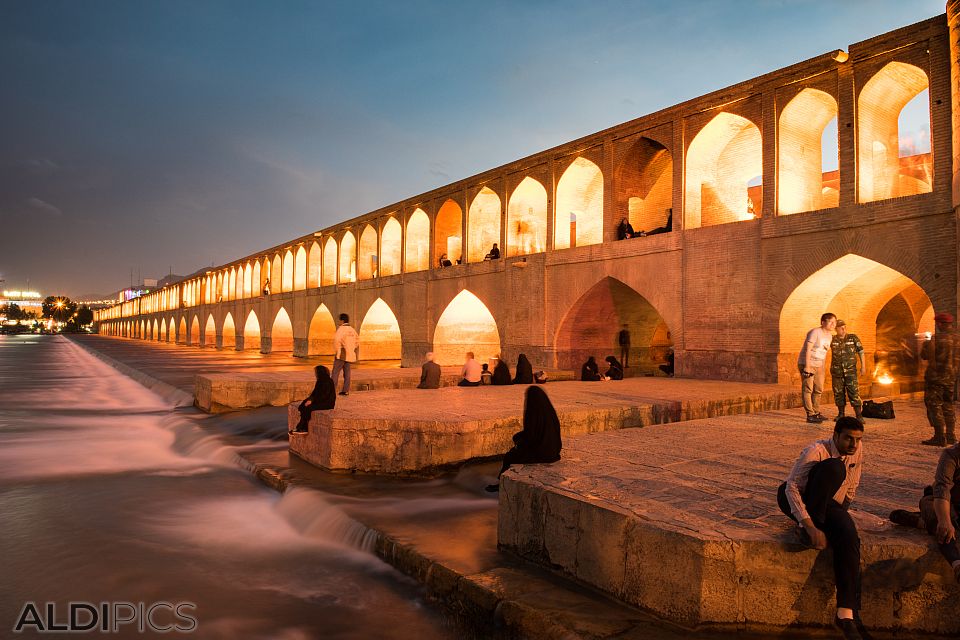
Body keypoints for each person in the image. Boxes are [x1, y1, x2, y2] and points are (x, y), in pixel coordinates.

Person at [777, 417, 866, 639]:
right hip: (799, 498)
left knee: (849, 534)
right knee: (835, 467)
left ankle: (846, 612)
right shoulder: (815, 450)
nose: (853, 445)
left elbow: (852, 484)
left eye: (857, 439)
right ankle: (811, 526)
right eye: (848, 438)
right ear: (835, 435)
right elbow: (791, 488)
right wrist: (809, 526)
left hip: (828, 505)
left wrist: (841, 517)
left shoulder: (857, 450)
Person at [890, 443, 960, 584]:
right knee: (944, 524)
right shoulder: (952, 454)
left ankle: (920, 522)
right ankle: (957, 565)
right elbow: (942, 489)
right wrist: (944, 520)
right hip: (943, 502)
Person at [485, 386, 562, 492]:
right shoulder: (549, 412)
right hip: (553, 452)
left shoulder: (534, 414)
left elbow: (531, 437)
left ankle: (501, 484)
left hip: (543, 454)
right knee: (517, 444)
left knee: (510, 456)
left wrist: (518, 443)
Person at [921, 312, 959, 446]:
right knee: (948, 405)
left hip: (935, 379)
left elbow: (924, 356)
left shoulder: (935, 339)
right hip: (951, 379)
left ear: (940, 324)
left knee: (934, 405)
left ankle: (939, 436)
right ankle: (951, 436)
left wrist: (926, 344)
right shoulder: (957, 339)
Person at [799, 313, 837, 424]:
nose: (833, 324)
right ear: (823, 322)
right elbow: (808, 349)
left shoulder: (829, 336)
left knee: (819, 389)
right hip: (808, 363)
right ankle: (810, 414)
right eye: (830, 321)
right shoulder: (815, 332)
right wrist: (807, 366)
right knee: (808, 389)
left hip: (819, 364)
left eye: (834, 322)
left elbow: (823, 352)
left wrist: (822, 367)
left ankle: (816, 412)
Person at [830, 320, 865, 422]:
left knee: (854, 392)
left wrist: (863, 367)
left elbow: (861, 352)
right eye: (841, 328)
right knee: (838, 393)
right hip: (837, 372)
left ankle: (859, 416)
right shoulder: (832, 339)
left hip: (851, 372)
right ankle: (841, 414)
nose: (843, 329)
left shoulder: (853, 338)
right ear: (836, 329)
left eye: (844, 327)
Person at [290, 365, 336, 435]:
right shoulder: (320, 381)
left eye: (316, 372)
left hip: (327, 403)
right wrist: (309, 400)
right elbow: (314, 393)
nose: (315, 374)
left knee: (308, 408)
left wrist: (312, 401)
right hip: (321, 401)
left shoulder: (327, 381)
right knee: (303, 405)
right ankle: (301, 427)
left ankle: (304, 428)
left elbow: (324, 396)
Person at [331, 313, 359, 396]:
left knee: (335, 372)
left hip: (342, 353)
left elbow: (336, 341)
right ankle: (345, 390)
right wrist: (351, 348)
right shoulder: (352, 330)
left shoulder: (341, 329)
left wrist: (337, 351)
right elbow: (357, 341)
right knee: (347, 373)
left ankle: (332, 391)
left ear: (342, 320)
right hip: (350, 354)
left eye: (338, 320)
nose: (338, 321)